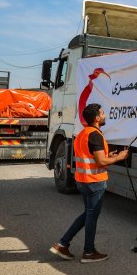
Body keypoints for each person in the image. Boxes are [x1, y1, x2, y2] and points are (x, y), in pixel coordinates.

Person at [49, 103, 128, 263]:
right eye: (103, 113)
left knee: (87, 214)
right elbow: (100, 161)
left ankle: (62, 244)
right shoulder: (96, 135)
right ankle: (88, 252)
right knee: (91, 216)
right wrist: (119, 157)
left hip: (83, 181)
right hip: (94, 182)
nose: (105, 115)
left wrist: (108, 154)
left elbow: (91, 155)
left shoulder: (83, 134)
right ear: (97, 118)